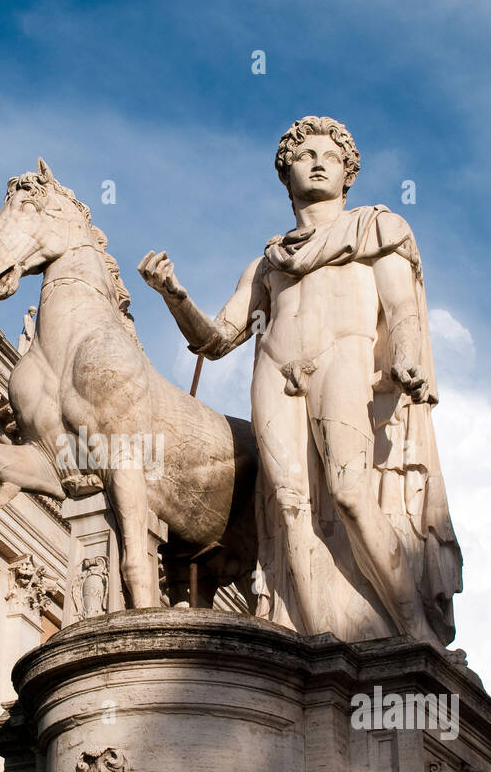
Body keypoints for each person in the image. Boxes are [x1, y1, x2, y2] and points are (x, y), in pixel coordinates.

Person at [138, 115, 462, 646]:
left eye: (329, 157)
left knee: (351, 493)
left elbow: (401, 306)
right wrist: (175, 295)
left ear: (347, 173)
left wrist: (406, 355)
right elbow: (217, 339)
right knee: (288, 508)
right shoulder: (268, 264)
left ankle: (414, 629)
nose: (316, 162)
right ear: (286, 176)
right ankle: (313, 640)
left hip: (345, 356)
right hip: (275, 370)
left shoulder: (375, 228)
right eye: (304, 156)